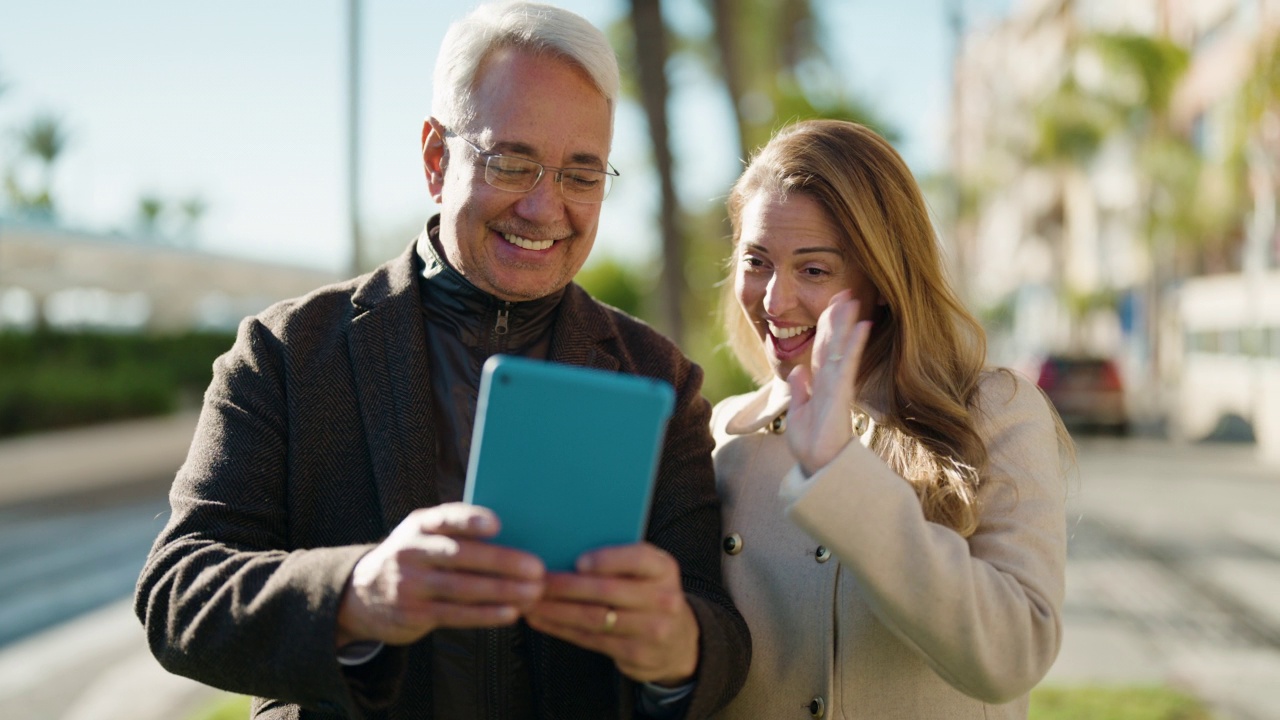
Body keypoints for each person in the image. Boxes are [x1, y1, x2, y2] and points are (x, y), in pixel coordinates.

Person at [134, 3, 749, 718]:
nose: (545, 207)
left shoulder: (658, 378)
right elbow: (178, 592)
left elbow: (718, 629)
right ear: (435, 158)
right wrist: (360, 594)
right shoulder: (284, 353)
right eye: (512, 163)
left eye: (582, 176)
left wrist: (680, 646)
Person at [709, 119, 1069, 718]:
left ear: (882, 277)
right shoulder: (722, 435)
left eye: (814, 269)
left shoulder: (994, 413)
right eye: (757, 261)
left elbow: (1014, 654)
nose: (774, 301)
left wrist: (837, 470)